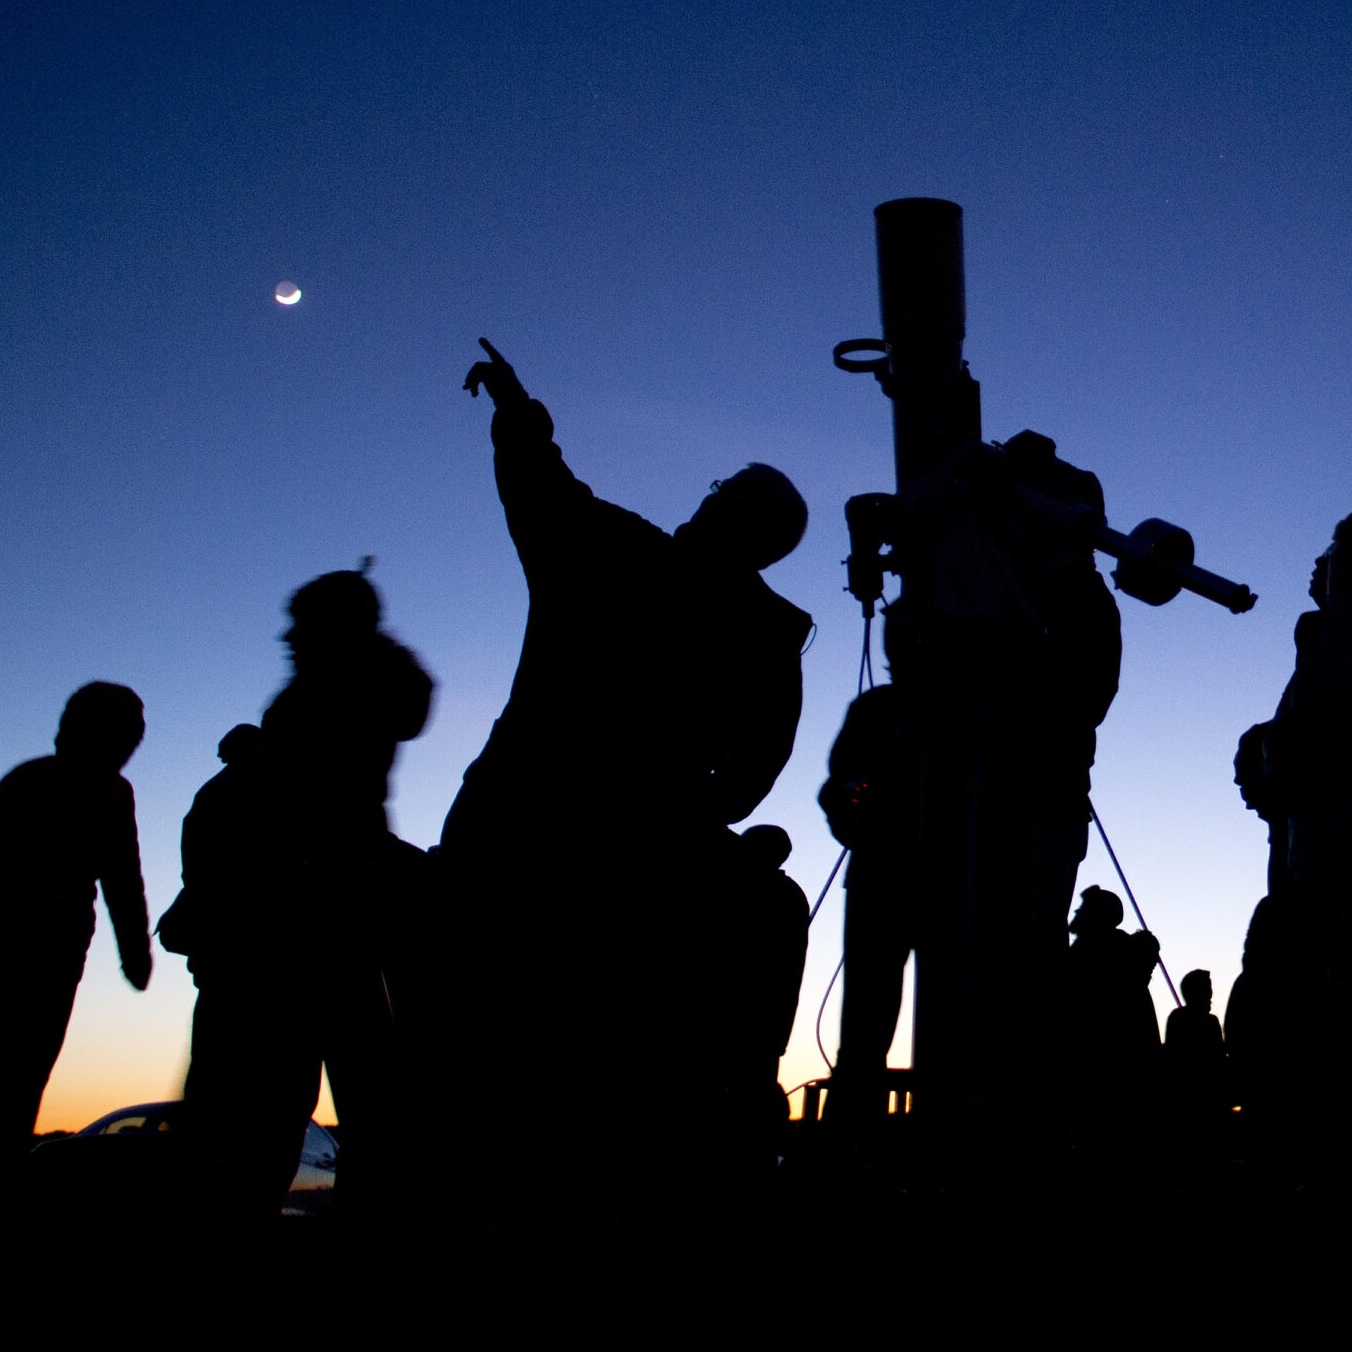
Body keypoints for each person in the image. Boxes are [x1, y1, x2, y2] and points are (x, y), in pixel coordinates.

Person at [442, 340, 812, 1196]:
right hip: (638, 864)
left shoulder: (613, 552)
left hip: (517, 834)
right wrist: (686, 813)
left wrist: (518, 412)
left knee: (486, 1074)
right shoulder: (764, 639)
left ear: (726, 510)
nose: (711, 495)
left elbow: (538, 486)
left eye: (725, 490)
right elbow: (753, 776)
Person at [177, 570, 434, 1221]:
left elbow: (321, 808)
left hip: (315, 930)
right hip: (304, 930)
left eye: (304, 623)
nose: (288, 636)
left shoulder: (348, 691)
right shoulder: (330, 695)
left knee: (301, 1102)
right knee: (292, 1104)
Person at [3, 683, 152, 1165]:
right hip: (48, 953)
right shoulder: (106, 792)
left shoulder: (28, 778)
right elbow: (123, 879)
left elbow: (123, 879)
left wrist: (135, 952)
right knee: (23, 1074)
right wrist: (135, 954)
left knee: (24, 1074)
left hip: (53, 952)